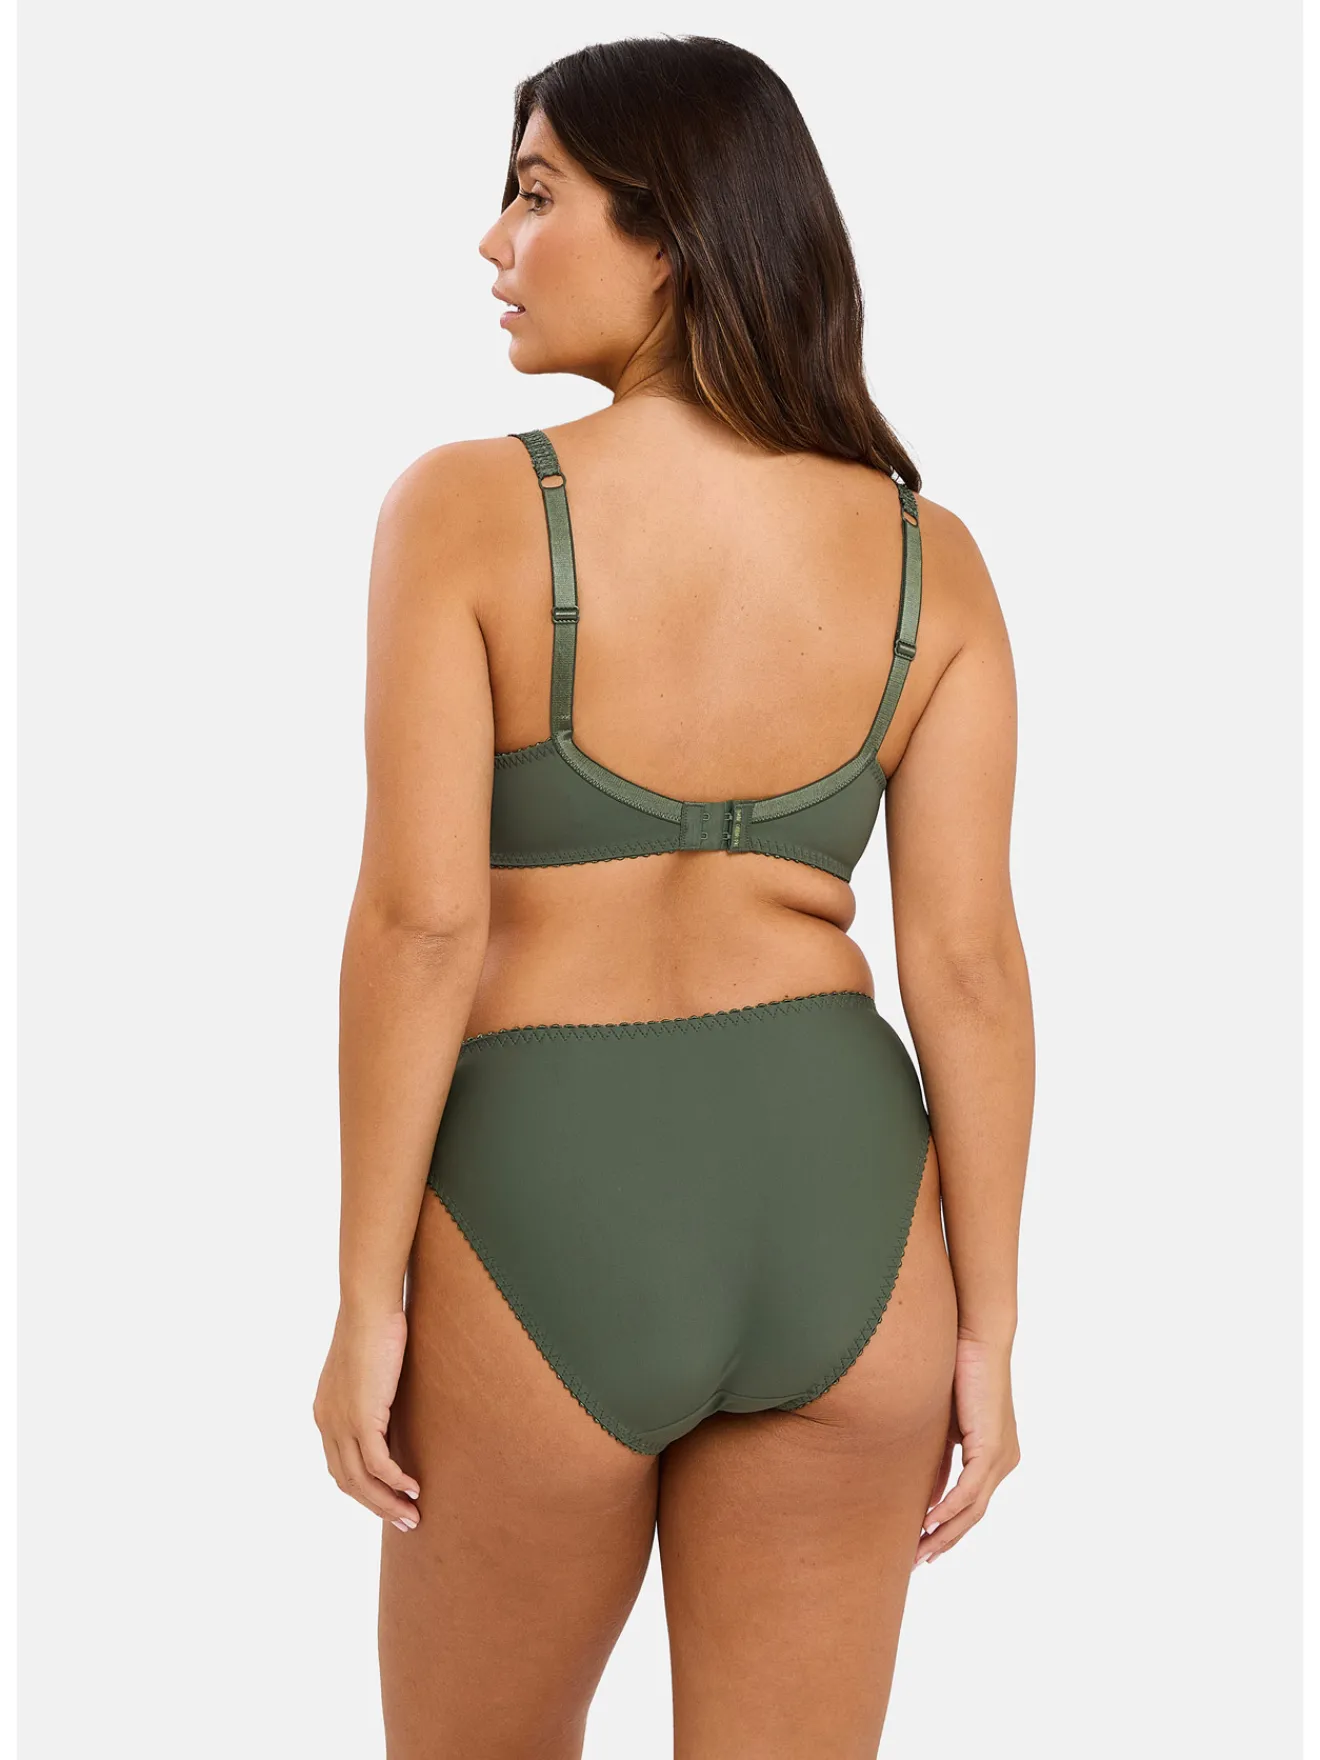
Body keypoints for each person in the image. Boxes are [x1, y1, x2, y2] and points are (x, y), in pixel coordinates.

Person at [313, 33, 1032, 1759]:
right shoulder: (930, 558)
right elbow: (967, 969)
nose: (494, 241)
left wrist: (366, 1297)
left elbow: (423, 928)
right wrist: (990, 1331)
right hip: (853, 1222)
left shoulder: (471, 509)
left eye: (537, 193)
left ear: (676, 228)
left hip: (550, 1199)